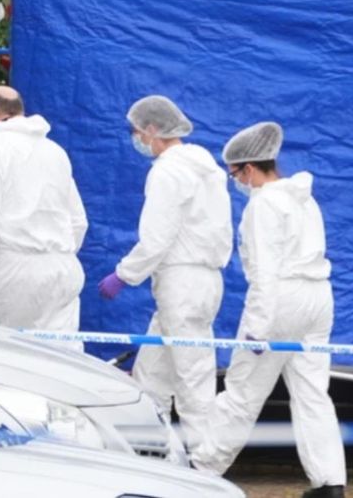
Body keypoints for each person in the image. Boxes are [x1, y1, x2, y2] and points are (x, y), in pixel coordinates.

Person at [192, 122, 346, 498]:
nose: (236, 183)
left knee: (242, 394)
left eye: (234, 175)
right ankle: (330, 483)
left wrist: (258, 328)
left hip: (282, 301)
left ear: (247, 168)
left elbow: (264, 272)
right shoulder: (304, 198)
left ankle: (200, 471)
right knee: (313, 395)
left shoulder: (263, 205)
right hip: (318, 299)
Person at [97, 95, 232, 454]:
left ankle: (205, 467)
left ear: (153, 130)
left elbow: (156, 239)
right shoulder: (207, 170)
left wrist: (123, 275)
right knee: (151, 377)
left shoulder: (168, 172)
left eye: (137, 131)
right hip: (203, 282)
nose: (136, 138)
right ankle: (150, 454)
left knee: (192, 381)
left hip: (182, 283)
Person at [0, 86, 88, 344]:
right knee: (64, 359)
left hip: (12, 273)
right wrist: (58, 252)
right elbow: (78, 220)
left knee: (4, 357)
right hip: (62, 270)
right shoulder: (54, 151)